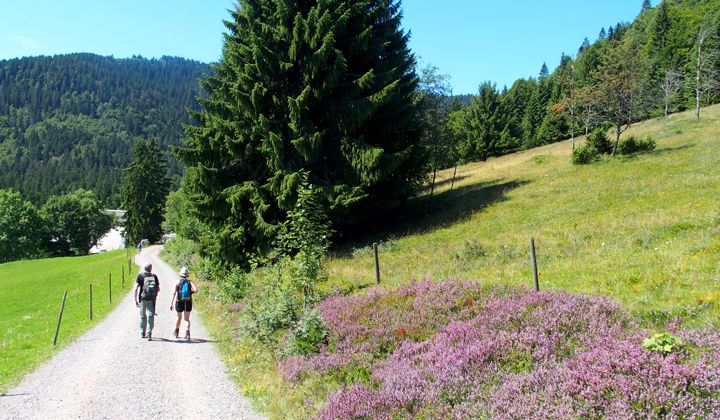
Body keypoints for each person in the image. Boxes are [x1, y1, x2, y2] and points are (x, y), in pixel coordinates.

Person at [169, 266, 198, 340]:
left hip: (179, 301)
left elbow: (173, 293)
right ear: (187, 274)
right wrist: (190, 292)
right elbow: (196, 290)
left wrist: (171, 303)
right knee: (187, 319)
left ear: (180, 274)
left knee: (178, 317)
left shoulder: (177, 282)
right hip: (188, 301)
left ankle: (176, 332)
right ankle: (187, 334)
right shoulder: (190, 282)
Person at [135, 262, 160, 340]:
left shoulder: (140, 276)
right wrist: (153, 294)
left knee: (143, 315)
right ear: (150, 268)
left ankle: (142, 332)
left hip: (142, 299)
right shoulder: (154, 276)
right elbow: (158, 289)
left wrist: (135, 300)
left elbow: (136, 288)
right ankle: (149, 333)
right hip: (151, 300)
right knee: (150, 315)